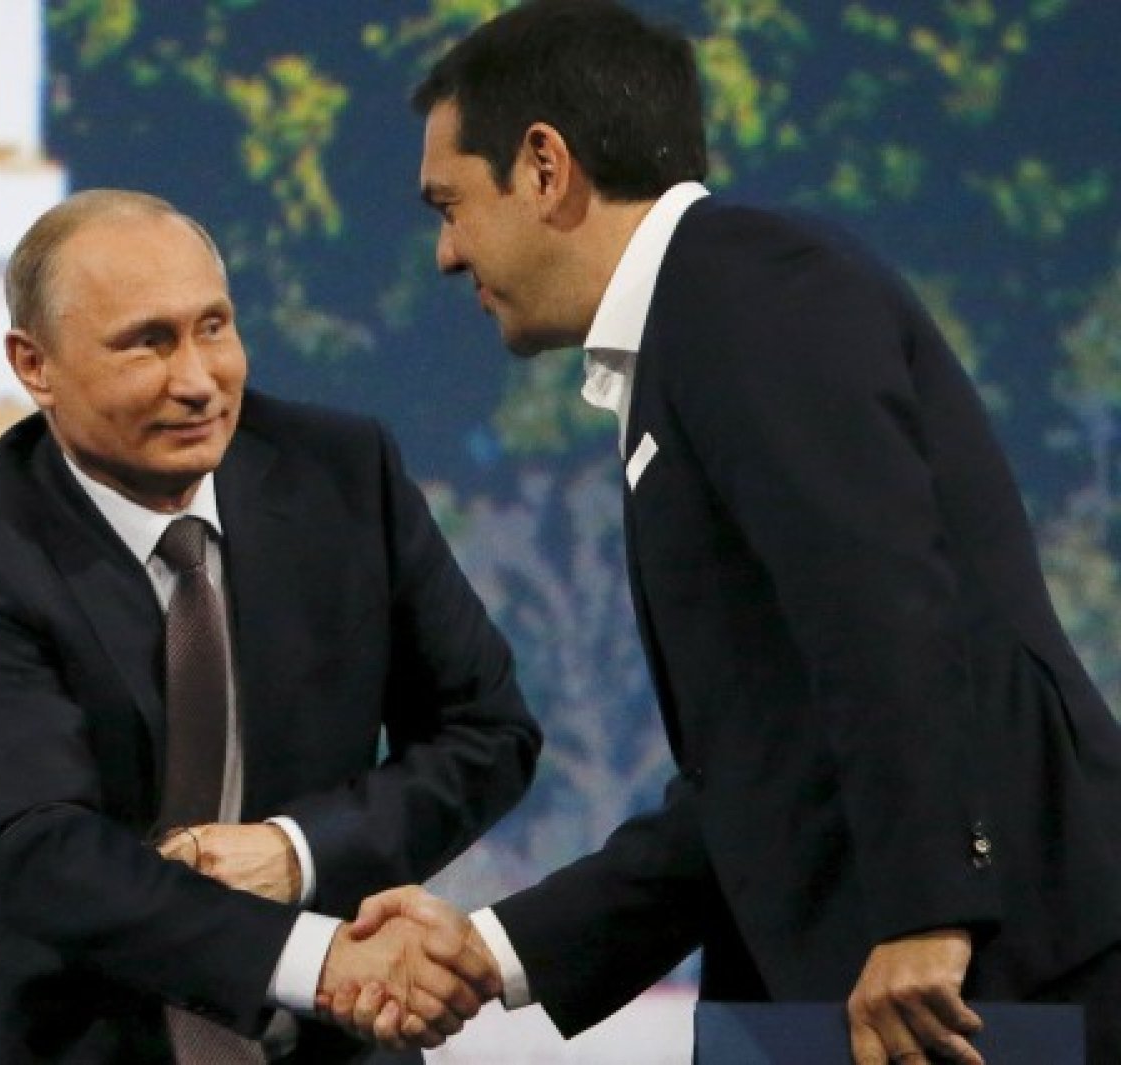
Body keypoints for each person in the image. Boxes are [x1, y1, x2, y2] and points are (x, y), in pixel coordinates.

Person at [325, 1, 1121, 1062]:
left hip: (983, 983)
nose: (444, 253)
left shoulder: (743, 287)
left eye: (451, 205)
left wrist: (928, 909)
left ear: (546, 167)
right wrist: (490, 949)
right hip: (892, 987)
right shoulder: (699, 321)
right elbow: (759, 778)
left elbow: (883, 599)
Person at [0, 188, 536, 1063]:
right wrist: (315, 957)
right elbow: (40, 850)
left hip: (321, 1046)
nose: (195, 381)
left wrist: (298, 852)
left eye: (213, 328)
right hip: (53, 1038)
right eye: (146, 342)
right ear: (35, 366)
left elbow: (485, 734)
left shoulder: (343, 477)